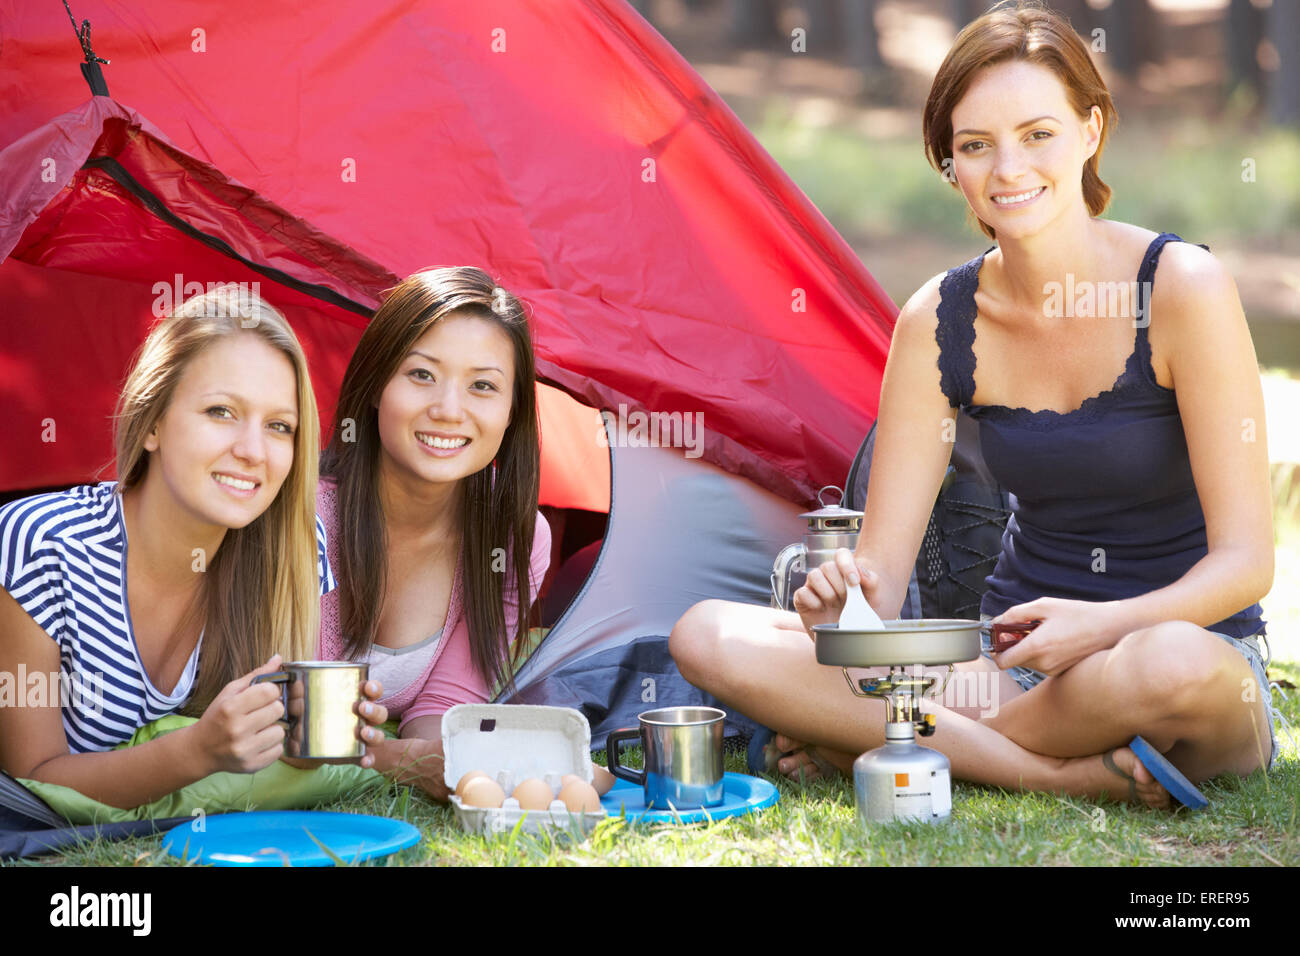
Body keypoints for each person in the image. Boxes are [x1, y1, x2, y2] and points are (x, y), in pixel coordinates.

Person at [669, 0, 1281, 809]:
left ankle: (886, 734)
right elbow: (881, 583)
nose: (1009, 170)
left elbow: (1247, 564)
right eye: (975, 146)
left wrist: (1100, 627)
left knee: (1166, 661)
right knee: (709, 635)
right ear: (949, 163)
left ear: (1090, 132)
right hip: (1004, 668)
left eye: (1038, 134)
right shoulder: (939, 318)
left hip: (1180, 665)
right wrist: (843, 603)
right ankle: (1050, 772)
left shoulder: (1179, 290)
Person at [0, 287, 387, 810]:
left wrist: (306, 735)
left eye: (279, 426)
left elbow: (275, 747)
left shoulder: (293, 550)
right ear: (153, 421)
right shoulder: (43, 546)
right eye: (221, 411)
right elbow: (31, 784)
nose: (252, 451)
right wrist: (194, 752)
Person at [317, 267, 551, 801]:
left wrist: (445, 763)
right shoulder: (302, 514)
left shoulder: (514, 539)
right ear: (376, 385)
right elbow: (287, 713)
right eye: (421, 375)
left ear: (512, 411)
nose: (448, 410)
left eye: (483, 386)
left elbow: (441, 709)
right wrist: (394, 760)